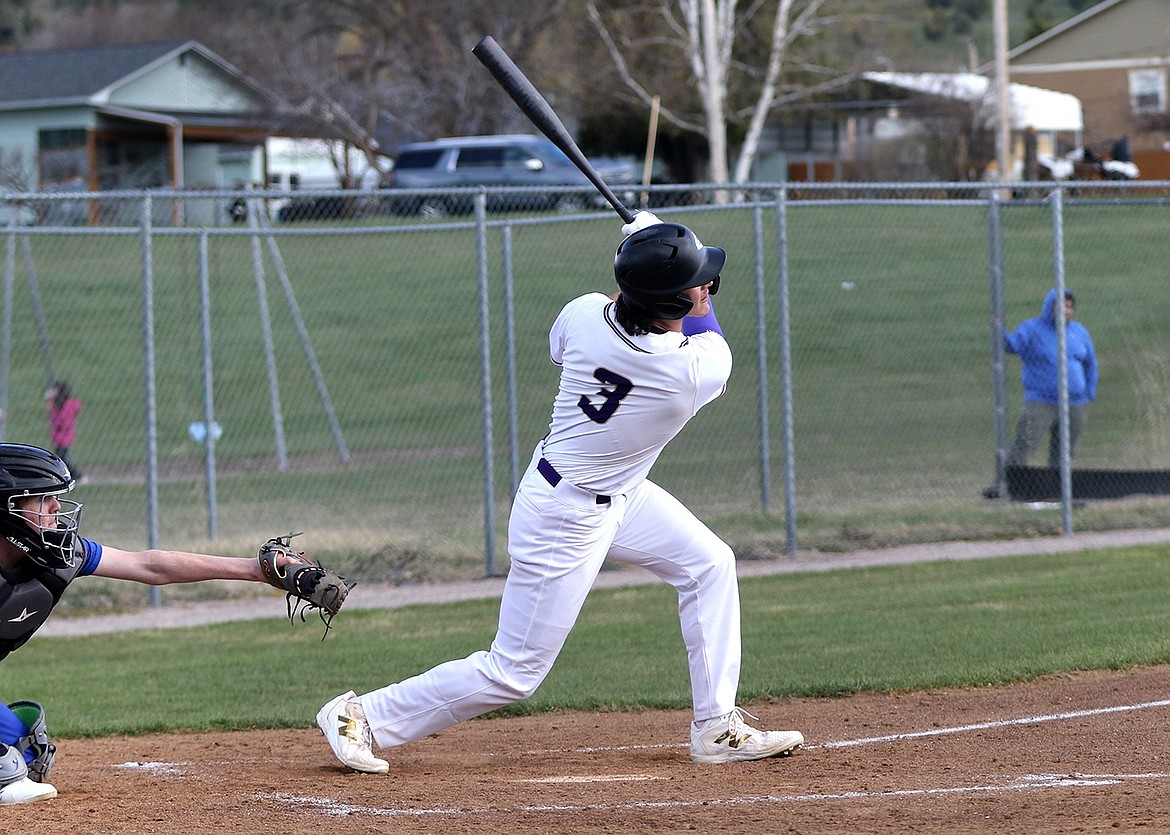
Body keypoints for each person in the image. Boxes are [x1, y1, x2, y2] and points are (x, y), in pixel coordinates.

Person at [316, 214, 804, 774]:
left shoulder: (582, 312)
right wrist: (651, 248)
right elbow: (702, 327)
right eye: (700, 282)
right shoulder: (692, 372)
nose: (708, 287)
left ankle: (716, 726)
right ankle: (361, 715)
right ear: (672, 301)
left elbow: (610, 321)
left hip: (615, 490)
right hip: (564, 517)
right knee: (514, 671)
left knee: (710, 563)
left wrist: (643, 256)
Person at [0, 443, 329, 804]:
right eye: (42, 499)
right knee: (7, 770)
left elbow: (149, 566)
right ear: (6, 508)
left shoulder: (59, 555)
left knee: (24, 747)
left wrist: (254, 570)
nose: (56, 508)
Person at [984, 289, 1098, 499]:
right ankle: (1005, 486)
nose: (1066, 311)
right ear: (1050, 308)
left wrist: (1090, 390)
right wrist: (998, 329)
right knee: (1025, 442)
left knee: (1065, 450)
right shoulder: (1032, 329)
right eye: (1060, 306)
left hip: (1075, 403)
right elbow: (1012, 345)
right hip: (1041, 402)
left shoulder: (1079, 332)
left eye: (1069, 307)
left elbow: (1090, 362)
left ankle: (1057, 489)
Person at [44, 381, 84, 482]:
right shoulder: (57, 405)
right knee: (62, 457)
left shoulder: (66, 405)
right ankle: (71, 476)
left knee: (63, 459)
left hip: (64, 436)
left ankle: (77, 475)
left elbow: (62, 423)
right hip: (58, 436)